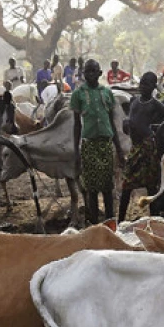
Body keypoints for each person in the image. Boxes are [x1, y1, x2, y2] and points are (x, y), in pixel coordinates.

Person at [72, 59, 125, 225]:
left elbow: (112, 122)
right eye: (87, 71)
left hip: (105, 145)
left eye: (93, 71)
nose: (90, 75)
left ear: (100, 73)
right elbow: (76, 125)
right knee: (92, 189)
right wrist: (76, 151)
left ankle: (110, 223)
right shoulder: (78, 94)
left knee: (108, 187)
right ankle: (95, 223)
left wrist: (119, 149)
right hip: (89, 145)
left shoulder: (107, 93)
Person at [119, 71, 164, 221]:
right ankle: (120, 220)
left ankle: (154, 220)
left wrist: (154, 130)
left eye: (146, 84)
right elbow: (130, 120)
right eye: (141, 83)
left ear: (153, 86)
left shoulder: (156, 105)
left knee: (151, 186)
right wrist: (126, 124)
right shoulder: (134, 101)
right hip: (135, 148)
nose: (143, 86)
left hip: (148, 149)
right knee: (126, 185)